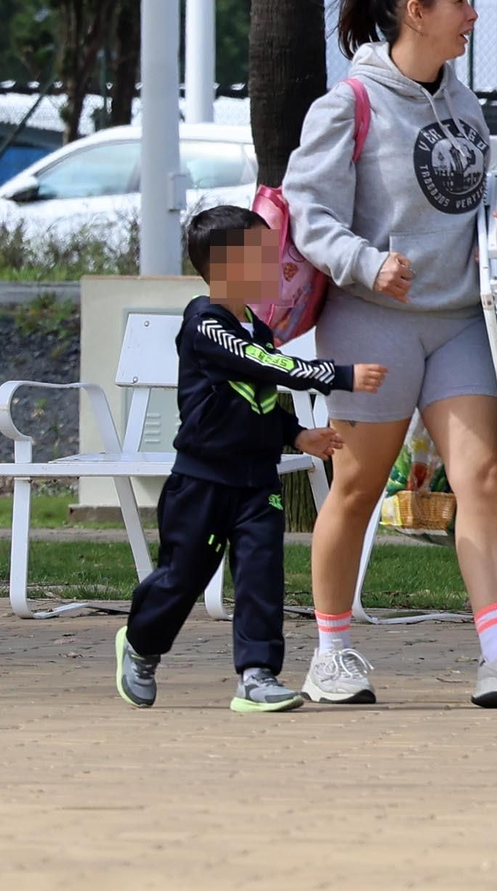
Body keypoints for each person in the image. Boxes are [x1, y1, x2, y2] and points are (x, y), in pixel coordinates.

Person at [284, 0, 497, 709]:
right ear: (415, 11)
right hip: (372, 321)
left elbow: (474, 192)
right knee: (354, 487)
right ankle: (332, 652)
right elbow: (305, 212)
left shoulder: (461, 97)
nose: (472, 14)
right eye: (459, 1)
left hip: (457, 321)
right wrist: (362, 261)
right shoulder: (347, 104)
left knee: (482, 480)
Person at [113, 205, 384, 712]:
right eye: (261, 256)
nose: (273, 267)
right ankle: (140, 645)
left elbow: (255, 400)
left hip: (257, 484)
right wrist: (338, 375)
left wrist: (297, 433)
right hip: (201, 483)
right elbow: (262, 365)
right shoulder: (206, 323)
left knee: (262, 573)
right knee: (182, 578)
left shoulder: (255, 326)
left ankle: (257, 676)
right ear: (223, 268)